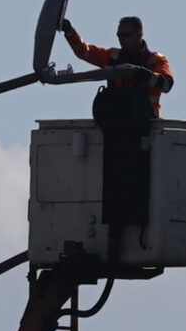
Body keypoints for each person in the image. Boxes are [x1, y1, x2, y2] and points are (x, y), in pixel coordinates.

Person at [61, 15, 174, 257]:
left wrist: (147, 76)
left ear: (139, 35)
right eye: (119, 36)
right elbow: (85, 52)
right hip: (116, 134)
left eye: (126, 35)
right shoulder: (113, 57)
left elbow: (166, 84)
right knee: (113, 191)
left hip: (144, 135)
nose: (122, 40)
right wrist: (69, 31)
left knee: (136, 188)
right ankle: (114, 239)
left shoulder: (154, 60)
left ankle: (134, 232)